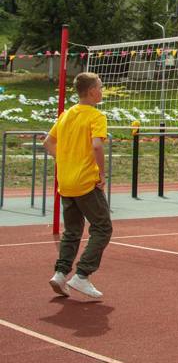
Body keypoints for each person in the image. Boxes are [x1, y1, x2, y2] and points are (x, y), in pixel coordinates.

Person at [45, 72, 112, 300]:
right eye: (100, 87)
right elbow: (96, 147)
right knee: (103, 227)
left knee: (72, 231)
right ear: (92, 91)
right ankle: (82, 275)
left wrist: (64, 159)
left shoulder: (66, 115)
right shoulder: (96, 116)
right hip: (84, 182)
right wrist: (102, 173)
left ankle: (61, 272)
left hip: (65, 182)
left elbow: (48, 142)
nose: (102, 91)